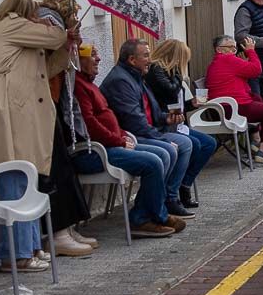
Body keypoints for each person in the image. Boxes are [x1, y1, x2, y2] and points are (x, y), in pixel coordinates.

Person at [0, 0, 69, 272]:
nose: (36, 19)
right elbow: (52, 37)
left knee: (26, 178)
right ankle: (16, 255)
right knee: (15, 179)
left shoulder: (21, 37)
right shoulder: (9, 23)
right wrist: (61, 31)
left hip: (18, 116)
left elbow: (48, 68)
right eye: (33, 13)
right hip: (6, 115)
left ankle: (29, 247)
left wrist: (68, 42)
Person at [72, 45, 181, 238]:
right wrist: (119, 140)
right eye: (93, 55)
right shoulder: (79, 86)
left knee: (166, 152)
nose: (98, 59)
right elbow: (90, 124)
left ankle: (147, 213)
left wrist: (121, 136)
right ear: (77, 61)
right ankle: (149, 217)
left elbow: (109, 119)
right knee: (154, 161)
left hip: (114, 143)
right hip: (95, 152)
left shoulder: (90, 84)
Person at [101, 39, 198, 219]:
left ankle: (166, 199)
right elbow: (135, 122)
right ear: (132, 59)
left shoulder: (136, 77)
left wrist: (164, 117)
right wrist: (163, 139)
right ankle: (151, 209)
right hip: (132, 136)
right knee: (168, 149)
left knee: (186, 143)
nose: (150, 59)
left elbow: (148, 111)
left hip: (144, 130)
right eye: (145, 55)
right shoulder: (121, 81)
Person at [35, 0, 93, 257]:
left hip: (53, 103)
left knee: (65, 168)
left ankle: (67, 229)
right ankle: (58, 233)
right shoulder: (49, 23)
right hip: (45, 104)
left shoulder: (56, 26)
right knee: (57, 169)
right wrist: (66, 41)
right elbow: (49, 67)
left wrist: (70, 43)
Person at [145, 39, 217, 210]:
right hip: (162, 125)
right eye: (182, 58)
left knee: (209, 143)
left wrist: (192, 103)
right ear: (174, 56)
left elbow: (178, 102)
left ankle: (185, 183)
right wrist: (178, 73)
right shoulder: (157, 71)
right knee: (195, 144)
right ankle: (173, 192)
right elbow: (170, 91)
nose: (183, 63)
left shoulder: (169, 72)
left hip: (176, 123)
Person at [206, 35, 263, 164]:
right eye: (230, 48)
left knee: (256, 97)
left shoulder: (219, 61)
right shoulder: (227, 60)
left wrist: (244, 62)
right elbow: (256, 70)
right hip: (231, 108)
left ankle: (255, 139)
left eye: (235, 48)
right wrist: (250, 50)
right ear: (219, 49)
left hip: (224, 107)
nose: (234, 51)